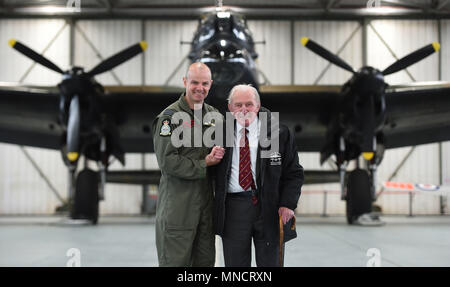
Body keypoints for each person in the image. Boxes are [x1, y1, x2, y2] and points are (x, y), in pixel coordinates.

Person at [214, 84, 304, 267]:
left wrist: (287, 204)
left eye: (249, 104)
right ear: (230, 108)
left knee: (270, 265)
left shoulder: (279, 132)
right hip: (233, 209)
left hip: (269, 209)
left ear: (258, 105)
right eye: (238, 105)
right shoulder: (218, 133)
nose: (244, 109)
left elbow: (294, 172)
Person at [152, 62, 225, 267]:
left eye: (204, 83)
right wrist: (205, 164)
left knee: (204, 266)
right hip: (178, 207)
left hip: (206, 209)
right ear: (185, 82)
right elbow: (167, 161)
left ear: (210, 85)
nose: (199, 88)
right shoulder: (170, 118)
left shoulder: (216, 117)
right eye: (194, 82)